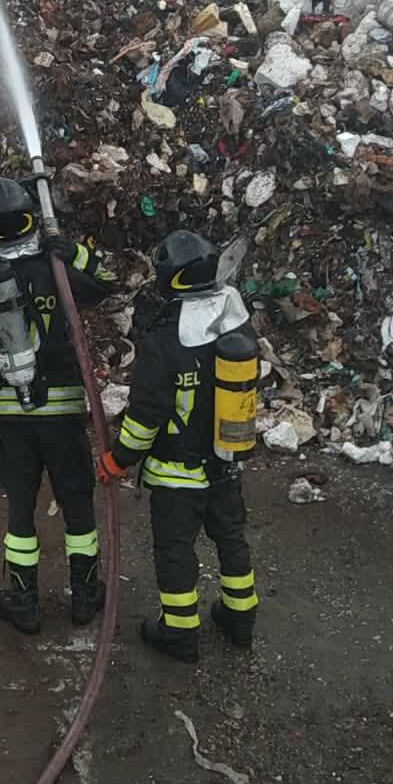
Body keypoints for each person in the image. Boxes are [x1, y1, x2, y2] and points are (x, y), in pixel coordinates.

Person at [97, 229, 259, 664]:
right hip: (226, 464)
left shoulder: (166, 340)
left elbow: (146, 416)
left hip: (177, 474)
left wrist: (118, 460)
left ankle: (180, 631)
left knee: (175, 551)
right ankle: (241, 620)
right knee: (230, 538)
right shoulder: (233, 324)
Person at [0, 176, 117, 635]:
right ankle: (85, 596)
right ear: (31, 221)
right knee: (77, 505)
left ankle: (24, 601)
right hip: (62, 414)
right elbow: (105, 283)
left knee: (20, 509)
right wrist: (68, 248)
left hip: (13, 416)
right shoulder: (53, 270)